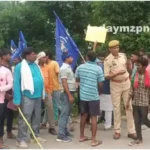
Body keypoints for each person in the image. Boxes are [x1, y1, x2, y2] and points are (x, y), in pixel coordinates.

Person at [13, 47, 46, 148]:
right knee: (24, 118)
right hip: (27, 97)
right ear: (27, 55)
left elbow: (40, 79)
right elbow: (16, 83)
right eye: (33, 54)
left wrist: (43, 94)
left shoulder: (36, 65)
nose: (35, 55)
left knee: (37, 117)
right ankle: (20, 140)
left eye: (35, 53)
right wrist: (17, 99)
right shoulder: (20, 66)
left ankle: (34, 136)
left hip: (38, 96)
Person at [104, 40, 136, 140]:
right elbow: (106, 76)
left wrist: (129, 70)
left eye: (117, 47)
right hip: (115, 84)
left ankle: (131, 131)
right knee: (116, 108)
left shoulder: (123, 56)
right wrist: (116, 74)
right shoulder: (107, 60)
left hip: (126, 83)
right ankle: (117, 130)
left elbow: (128, 68)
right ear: (110, 49)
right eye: (114, 48)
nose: (116, 49)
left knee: (129, 106)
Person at [75, 51, 104, 147]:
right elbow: (100, 83)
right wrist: (100, 92)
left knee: (83, 116)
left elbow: (77, 80)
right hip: (93, 96)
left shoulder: (80, 67)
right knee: (93, 117)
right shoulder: (98, 69)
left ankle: (82, 136)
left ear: (87, 57)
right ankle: (93, 140)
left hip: (83, 96)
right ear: (96, 58)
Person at [126, 57, 150, 146]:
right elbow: (131, 89)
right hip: (135, 102)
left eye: (138, 65)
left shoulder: (148, 76)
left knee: (144, 119)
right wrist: (128, 101)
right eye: (136, 65)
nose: (136, 67)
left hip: (144, 102)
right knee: (136, 121)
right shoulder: (134, 75)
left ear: (144, 66)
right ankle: (139, 139)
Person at [56, 52, 76, 142]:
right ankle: (61, 134)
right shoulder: (64, 68)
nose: (72, 58)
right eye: (70, 57)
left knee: (67, 113)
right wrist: (69, 95)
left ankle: (65, 131)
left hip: (69, 92)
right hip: (66, 93)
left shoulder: (68, 67)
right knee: (64, 114)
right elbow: (64, 82)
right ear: (66, 58)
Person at [36, 51, 57, 135]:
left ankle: (51, 127)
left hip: (47, 91)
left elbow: (50, 80)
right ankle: (36, 128)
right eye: (43, 57)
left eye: (45, 57)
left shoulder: (47, 67)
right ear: (39, 58)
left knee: (50, 108)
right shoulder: (35, 67)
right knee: (37, 110)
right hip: (37, 92)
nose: (45, 59)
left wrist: (50, 90)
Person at [0, 49, 16, 139]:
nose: (10, 56)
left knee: (10, 113)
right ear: (3, 56)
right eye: (9, 55)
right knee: (2, 116)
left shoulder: (9, 66)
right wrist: (5, 94)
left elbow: (11, 82)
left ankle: (9, 131)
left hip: (10, 93)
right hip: (3, 95)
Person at [45, 52, 61, 125]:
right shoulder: (44, 65)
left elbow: (58, 74)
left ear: (47, 56)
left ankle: (59, 120)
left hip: (55, 87)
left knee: (56, 105)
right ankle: (44, 122)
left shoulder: (54, 63)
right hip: (47, 89)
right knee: (48, 106)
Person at [99, 52, 113, 130]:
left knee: (98, 108)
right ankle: (107, 125)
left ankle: (93, 122)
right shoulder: (112, 68)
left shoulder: (99, 67)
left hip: (99, 90)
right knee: (108, 109)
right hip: (108, 90)